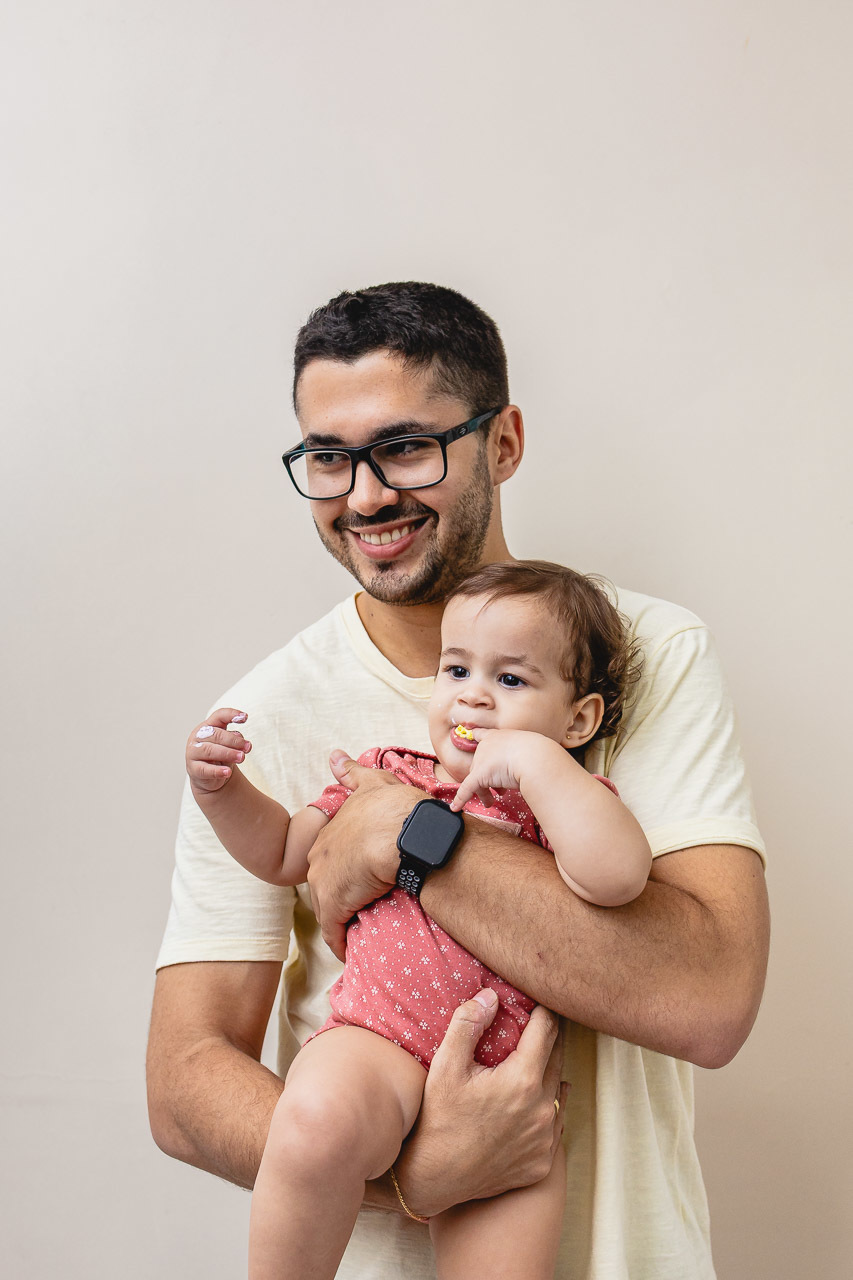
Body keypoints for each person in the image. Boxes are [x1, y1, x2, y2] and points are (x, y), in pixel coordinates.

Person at [147, 282, 769, 1280]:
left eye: (403, 447)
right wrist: (412, 1173)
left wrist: (410, 833)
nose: (363, 495)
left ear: (503, 442)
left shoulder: (646, 654)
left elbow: (706, 998)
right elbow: (183, 1082)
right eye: (327, 458)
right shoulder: (260, 714)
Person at [186, 561, 651, 1280]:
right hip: (377, 1042)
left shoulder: (564, 801)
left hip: (507, 1096)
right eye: (455, 669)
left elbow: (616, 878)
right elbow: (281, 851)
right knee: (312, 1126)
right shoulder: (390, 775)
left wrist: (536, 761)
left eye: (511, 681)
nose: (473, 698)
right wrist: (223, 794)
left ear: (578, 718)